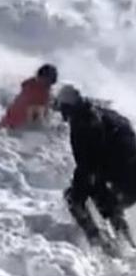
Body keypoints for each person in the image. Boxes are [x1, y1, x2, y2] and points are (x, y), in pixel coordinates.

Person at [55, 84, 136, 248]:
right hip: (129, 173)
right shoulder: (102, 113)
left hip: (123, 177)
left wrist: (77, 191)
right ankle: (126, 242)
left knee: (75, 198)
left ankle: (98, 242)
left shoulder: (83, 124)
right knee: (103, 195)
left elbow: (86, 163)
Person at [0, 63, 58, 130]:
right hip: (17, 127)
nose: (49, 84)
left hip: (8, 124)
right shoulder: (37, 93)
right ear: (41, 77)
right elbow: (34, 121)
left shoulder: (30, 86)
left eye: (51, 81)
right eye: (47, 80)